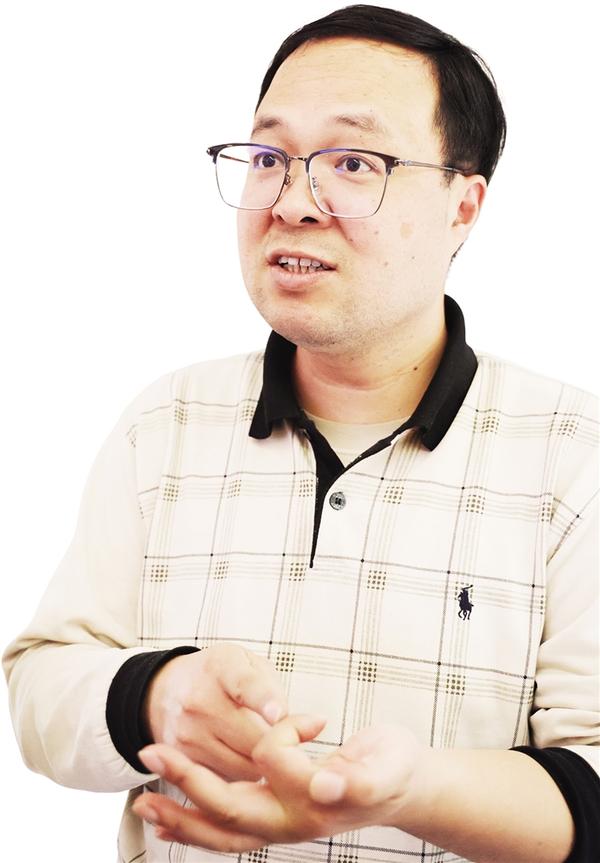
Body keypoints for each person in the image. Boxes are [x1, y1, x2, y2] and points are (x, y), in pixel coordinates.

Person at [3, 4, 599, 862]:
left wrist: (415, 791)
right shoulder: (165, 424)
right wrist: (156, 694)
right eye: (269, 157)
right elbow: (38, 688)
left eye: (353, 162)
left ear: (463, 206)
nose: (291, 202)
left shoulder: (575, 455)